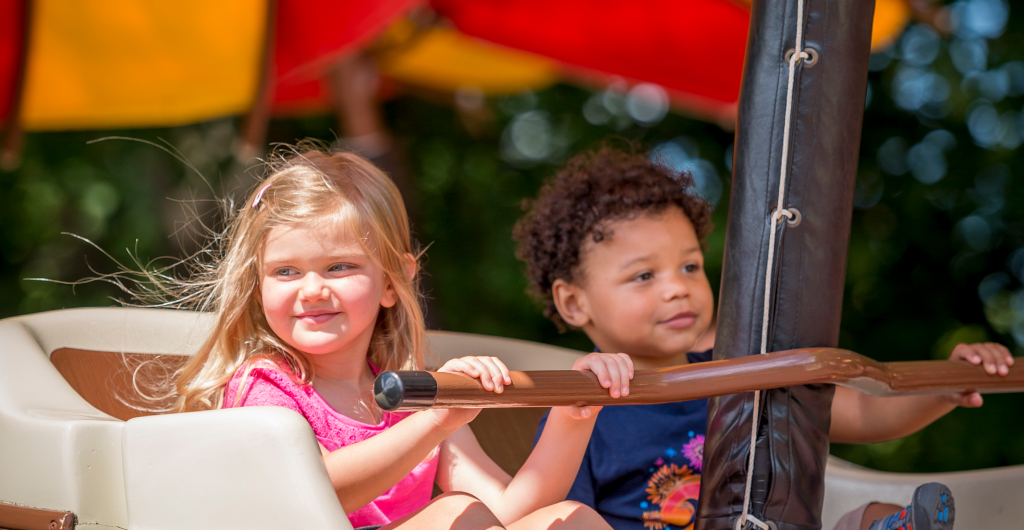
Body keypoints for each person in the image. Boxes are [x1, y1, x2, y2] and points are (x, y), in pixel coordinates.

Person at [512, 146, 1014, 530]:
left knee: (873, 514)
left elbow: (861, 412)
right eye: (644, 276)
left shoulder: (739, 371)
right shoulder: (578, 414)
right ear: (574, 302)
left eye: (689, 266)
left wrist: (943, 389)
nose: (677, 289)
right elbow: (561, 516)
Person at [169, 146, 635, 530]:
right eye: (285, 271)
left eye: (340, 266)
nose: (312, 290)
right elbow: (311, 490)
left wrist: (572, 416)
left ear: (393, 281)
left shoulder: (414, 394)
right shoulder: (266, 387)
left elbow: (511, 512)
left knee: (571, 519)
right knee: (455, 513)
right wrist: (435, 422)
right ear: (259, 285)